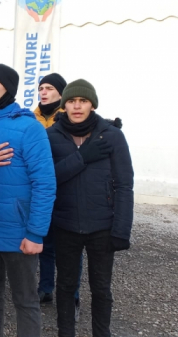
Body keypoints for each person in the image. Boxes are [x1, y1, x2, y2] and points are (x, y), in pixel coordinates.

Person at [0, 64, 56, 336]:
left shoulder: (30, 128)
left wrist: (36, 233)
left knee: (25, 300)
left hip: (18, 233)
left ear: (9, 88)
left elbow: (45, 184)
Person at [46, 79, 134, 337]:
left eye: (82, 101)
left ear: (92, 104)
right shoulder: (51, 136)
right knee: (65, 286)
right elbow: (47, 178)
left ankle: (101, 333)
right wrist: (82, 157)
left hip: (102, 226)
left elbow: (124, 185)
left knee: (101, 288)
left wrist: (122, 229)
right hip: (65, 224)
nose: (76, 106)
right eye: (71, 101)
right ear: (64, 105)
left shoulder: (112, 136)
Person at [32, 73, 80, 309]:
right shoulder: (31, 118)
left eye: (49, 88)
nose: (43, 92)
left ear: (61, 94)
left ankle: (72, 292)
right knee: (46, 243)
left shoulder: (71, 119)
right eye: (41, 87)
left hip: (68, 189)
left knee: (70, 247)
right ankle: (45, 288)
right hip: (41, 189)